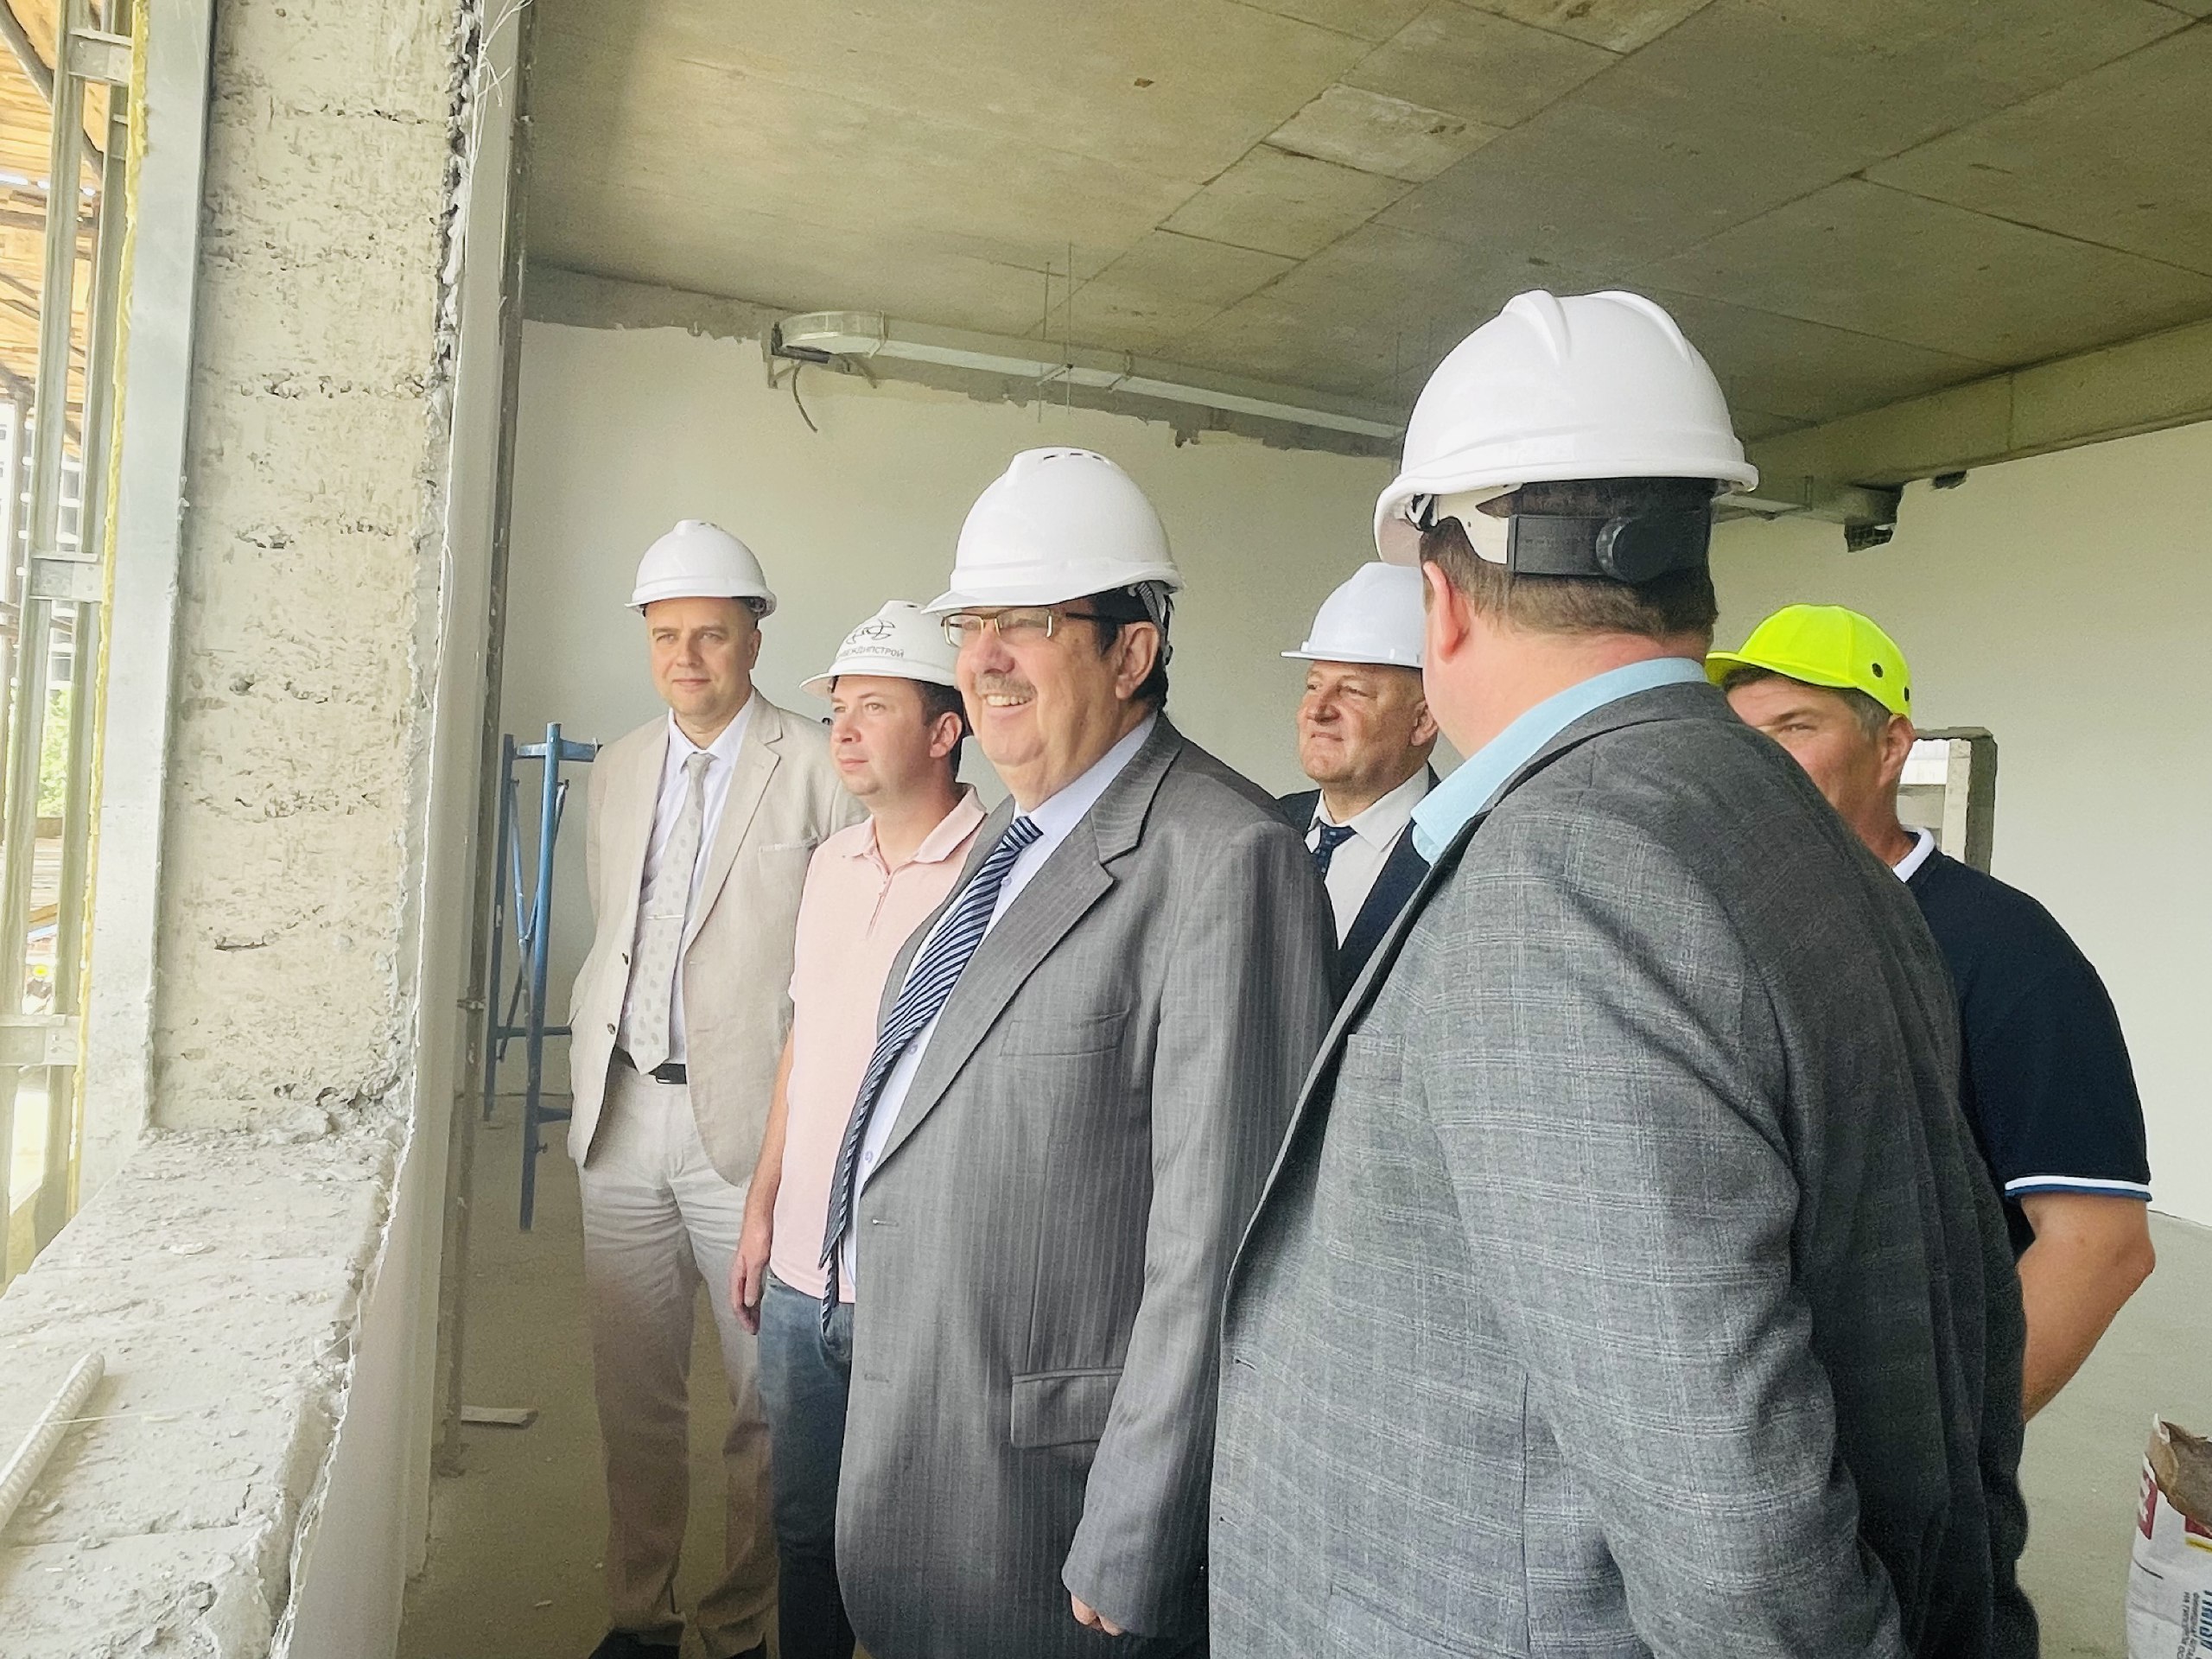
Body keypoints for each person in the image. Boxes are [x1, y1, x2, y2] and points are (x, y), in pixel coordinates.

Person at [1212, 291, 2035, 1658]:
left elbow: (1736, 1545)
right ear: (1691, 577)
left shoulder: (1561, 879)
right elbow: (1956, 1325)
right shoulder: (1796, 832)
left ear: (1440, 603)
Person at [828, 448, 1335, 1658]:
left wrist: (1135, 1526)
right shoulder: (1017, 841)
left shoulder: (1226, 858)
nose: (984, 657)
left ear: (1131, 652)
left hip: (1049, 1513)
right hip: (925, 1438)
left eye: (1028, 623)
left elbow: (1223, 1249)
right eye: (971, 625)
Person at [1713, 603, 2154, 1417]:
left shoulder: (2007, 948)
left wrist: (1954, 1448)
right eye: (1740, 737)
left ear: (1891, 747)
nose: (1759, 764)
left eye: (1794, 727)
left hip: (1890, 1435)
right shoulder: (1727, 925)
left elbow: (2100, 1244)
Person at [564, 520, 861, 1659]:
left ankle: (739, 1627)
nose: (686, 658)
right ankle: (640, 1616)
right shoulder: (619, 768)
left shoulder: (817, 768)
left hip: (749, 1130)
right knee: (633, 1396)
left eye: (710, 635)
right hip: (620, 1113)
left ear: (754, 638)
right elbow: (617, 932)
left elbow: (842, 968)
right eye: (665, 636)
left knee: (762, 1406)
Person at [728, 601, 986, 1659]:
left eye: (874, 707)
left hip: (914, 1284)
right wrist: (761, 1208)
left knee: (917, 1546)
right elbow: (807, 1040)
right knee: (802, 1534)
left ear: (945, 730)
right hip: (801, 1272)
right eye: (838, 707)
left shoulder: (997, 875)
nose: (842, 728)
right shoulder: (831, 865)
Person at [1278, 561, 1440, 989]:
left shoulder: (1462, 856)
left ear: (1423, 720)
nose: (1318, 710)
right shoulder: (1264, 825)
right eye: (1313, 685)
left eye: (1352, 691)